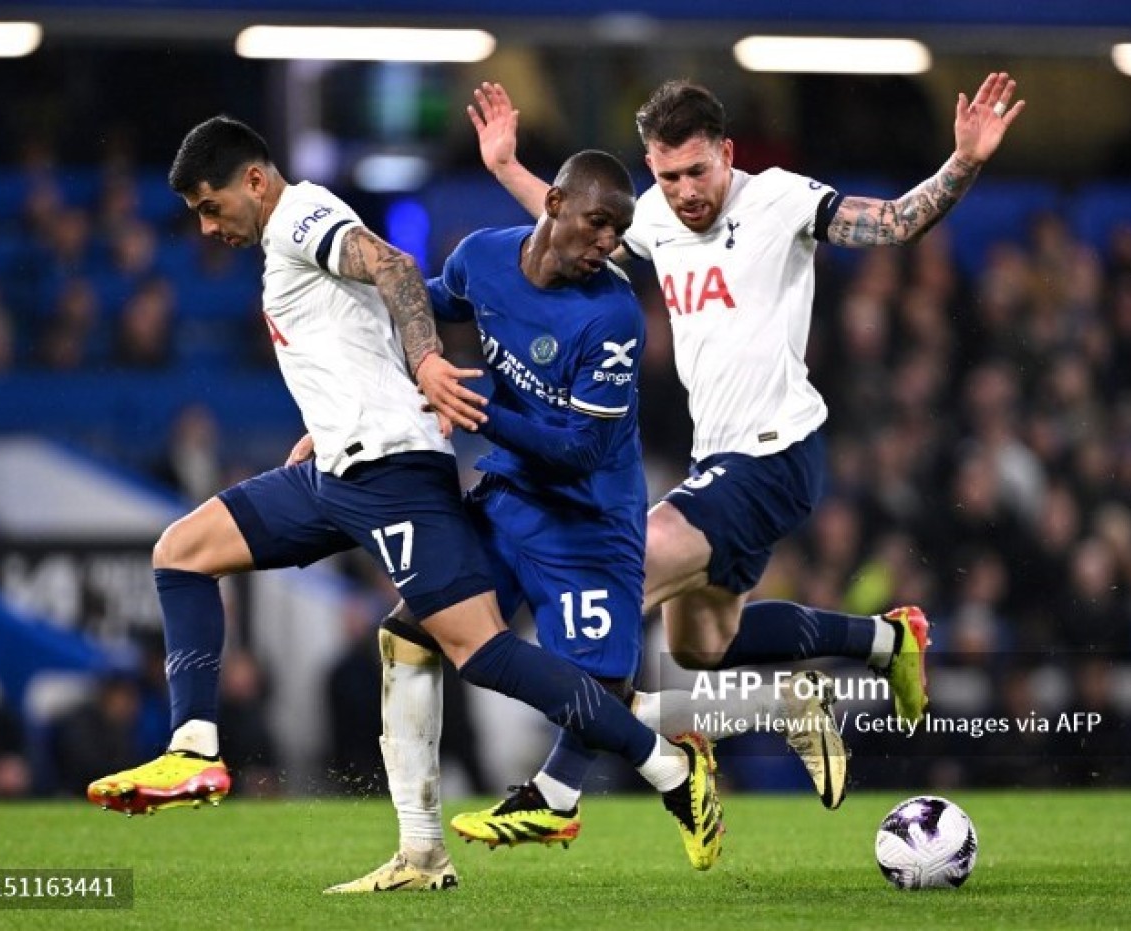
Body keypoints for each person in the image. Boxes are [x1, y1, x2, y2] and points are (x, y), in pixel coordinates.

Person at [83, 116, 723, 878]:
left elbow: (391, 268)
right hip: (339, 466)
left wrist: (424, 367)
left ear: (253, 180)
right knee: (182, 553)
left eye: (210, 205)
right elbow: (374, 312)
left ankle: (666, 765)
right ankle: (199, 751)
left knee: (478, 649)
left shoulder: (302, 218)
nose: (207, 225)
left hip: (396, 472)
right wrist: (332, 418)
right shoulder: (314, 240)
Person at [422, 74, 1026, 842]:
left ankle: (557, 793)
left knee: (618, 577)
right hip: (718, 461)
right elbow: (573, 220)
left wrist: (963, 161)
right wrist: (506, 165)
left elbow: (895, 222)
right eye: (668, 175)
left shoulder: (778, 199)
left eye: (697, 172)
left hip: (775, 456)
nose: (684, 192)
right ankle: (887, 641)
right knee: (702, 645)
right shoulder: (655, 217)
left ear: (727, 154)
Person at [332, 150, 842, 893]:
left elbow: (581, 450)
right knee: (411, 633)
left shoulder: (611, 315)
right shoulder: (482, 257)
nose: (607, 243)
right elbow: (430, 305)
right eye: (598, 223)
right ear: (555, 204)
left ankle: (740, 723)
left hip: (588, 523)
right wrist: (348, 348)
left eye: (618, 231)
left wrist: (476, 411)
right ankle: (422, 852)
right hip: (509, 500)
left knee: (601, 699)